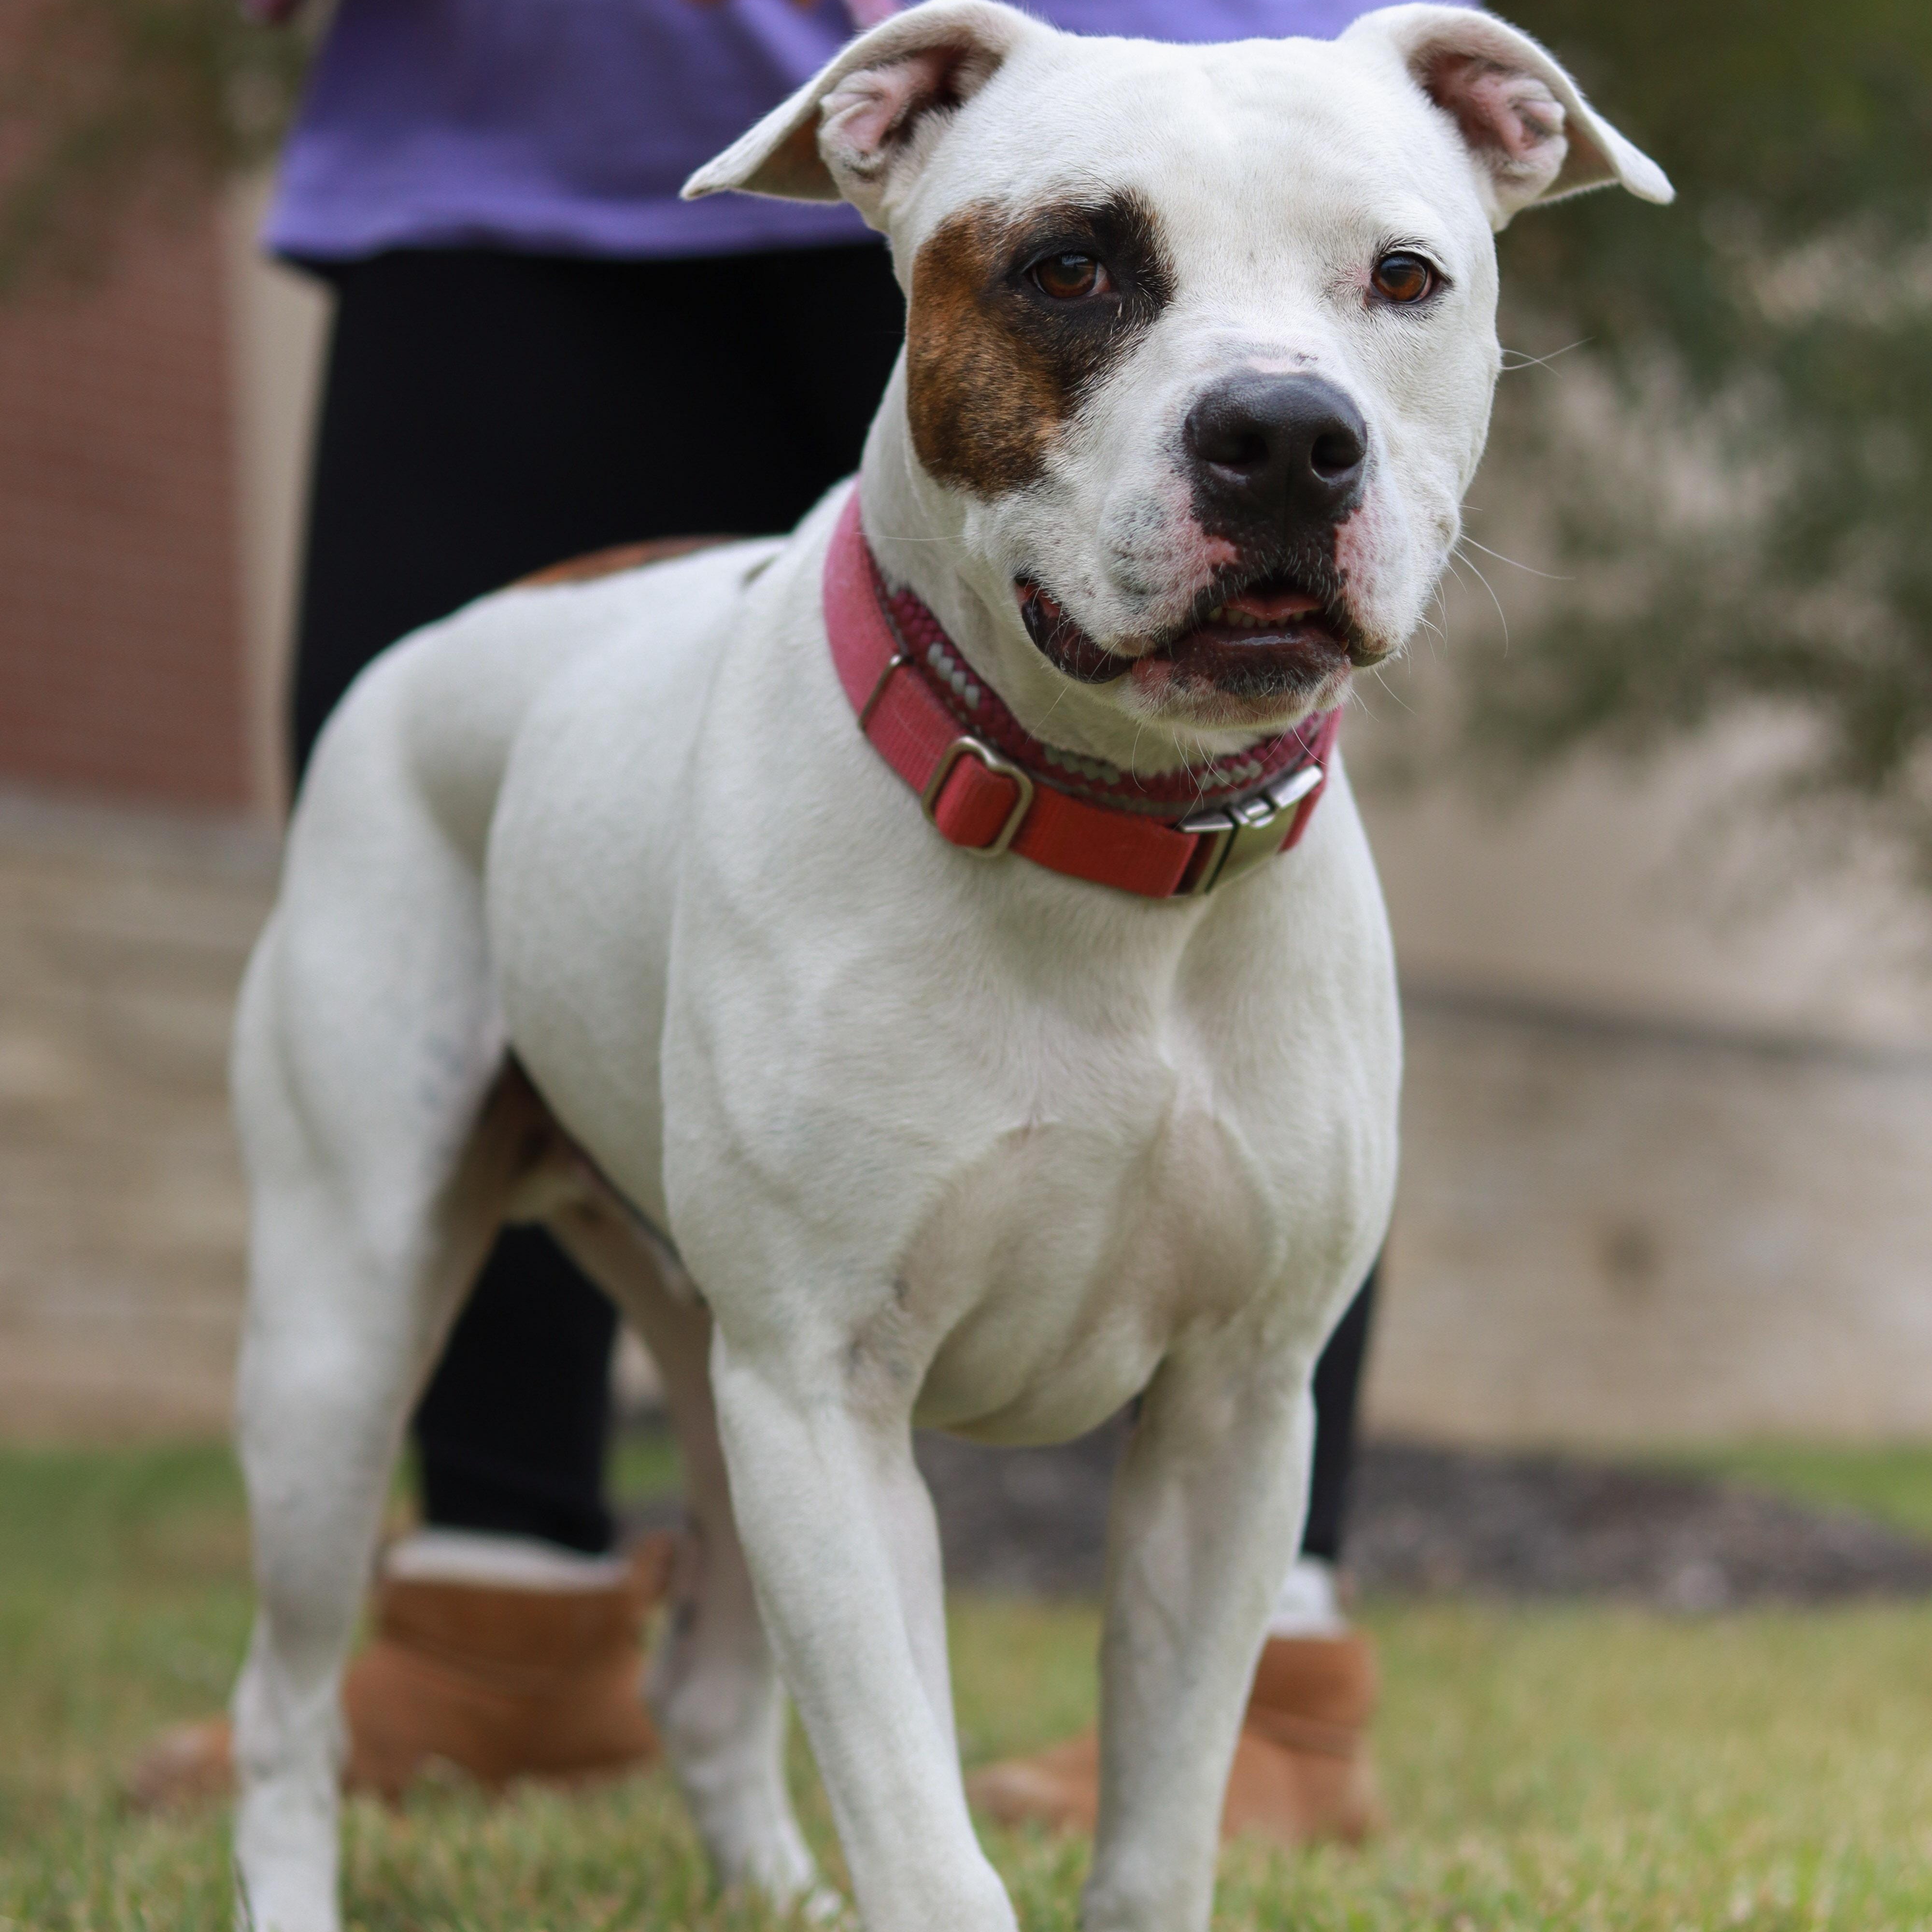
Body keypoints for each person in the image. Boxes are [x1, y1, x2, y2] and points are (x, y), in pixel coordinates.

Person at [132, 0, 1388, 1845]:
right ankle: (452, 1647)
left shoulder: (1336, 127)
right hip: (540, 102)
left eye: (1403, 283)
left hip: (1134, 43)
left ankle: (1262, 1686)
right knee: (772, 1313)